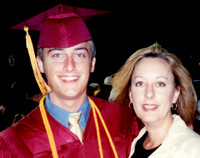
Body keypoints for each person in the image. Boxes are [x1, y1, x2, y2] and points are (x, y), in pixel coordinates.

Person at [0, 11, 139, 157]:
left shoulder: (123, 121)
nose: (69, 66)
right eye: (57, 56)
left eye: (79, 55)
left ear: (92, 63)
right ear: (40, 64)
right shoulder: (14, 143)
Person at [111, 43, 200, 158]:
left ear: (175, 94)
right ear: (131, 94)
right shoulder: (135, 142)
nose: (149, 94)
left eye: (160, 84)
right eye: (140, 83)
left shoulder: (194, 150)